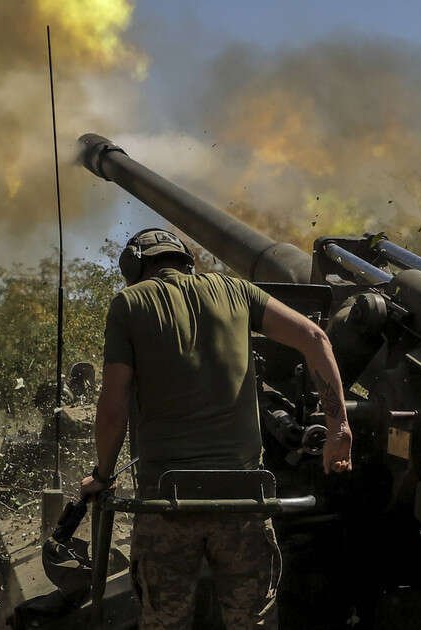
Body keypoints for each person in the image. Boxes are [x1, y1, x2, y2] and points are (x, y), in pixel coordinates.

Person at [79, 228, 353, 629]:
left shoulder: (129, 303)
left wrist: (103, 475)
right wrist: (339, 429)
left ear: (135, 266)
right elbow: (314, 337)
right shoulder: (238, 291)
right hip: (245, 497)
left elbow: (113, 406)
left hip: (168, 500)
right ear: (188, 262)